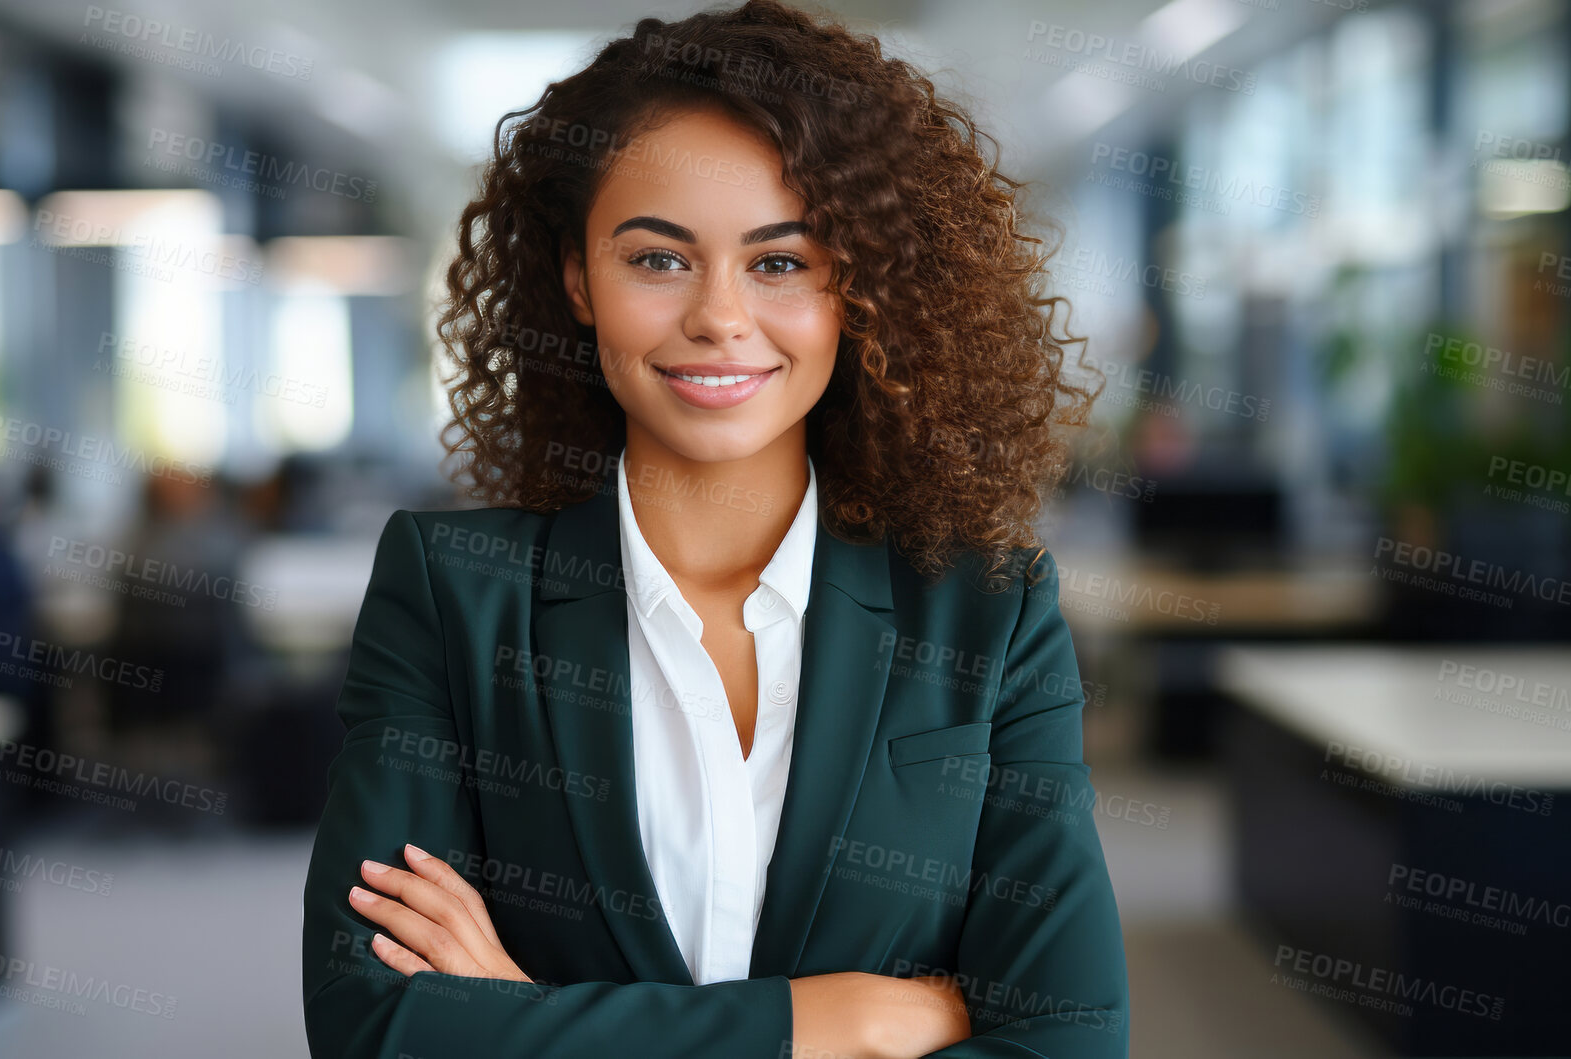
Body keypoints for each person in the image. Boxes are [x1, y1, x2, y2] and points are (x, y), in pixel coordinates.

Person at [302, 3, 1126, 1056]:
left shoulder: (985, 611)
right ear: (576, 279)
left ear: (855, 287)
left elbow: (1069, 1039)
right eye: (657, 259)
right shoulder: (452, 594)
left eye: (779, 262)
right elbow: (374, 1028)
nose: (719, 318)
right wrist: (841, 1022)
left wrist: (526, 1019)